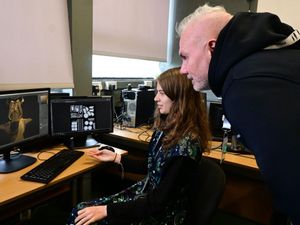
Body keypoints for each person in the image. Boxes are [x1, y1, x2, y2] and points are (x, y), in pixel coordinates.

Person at [177, 3, 300, 225]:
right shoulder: (275, 57)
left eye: (185, 57)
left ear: (211, 48)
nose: (183, 69)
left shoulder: (245, 85)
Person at [67, 67, 211, 225]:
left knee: (82, 217)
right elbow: (152, 166)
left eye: (162, 93)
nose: (156, 98)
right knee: (81, 210)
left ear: (179, 98)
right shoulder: (167, 130)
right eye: (157, 92)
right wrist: (116, 157)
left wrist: (107, 211)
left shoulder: (186, 148)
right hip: (147, 197)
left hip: (162, 214)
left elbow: (158, 203)